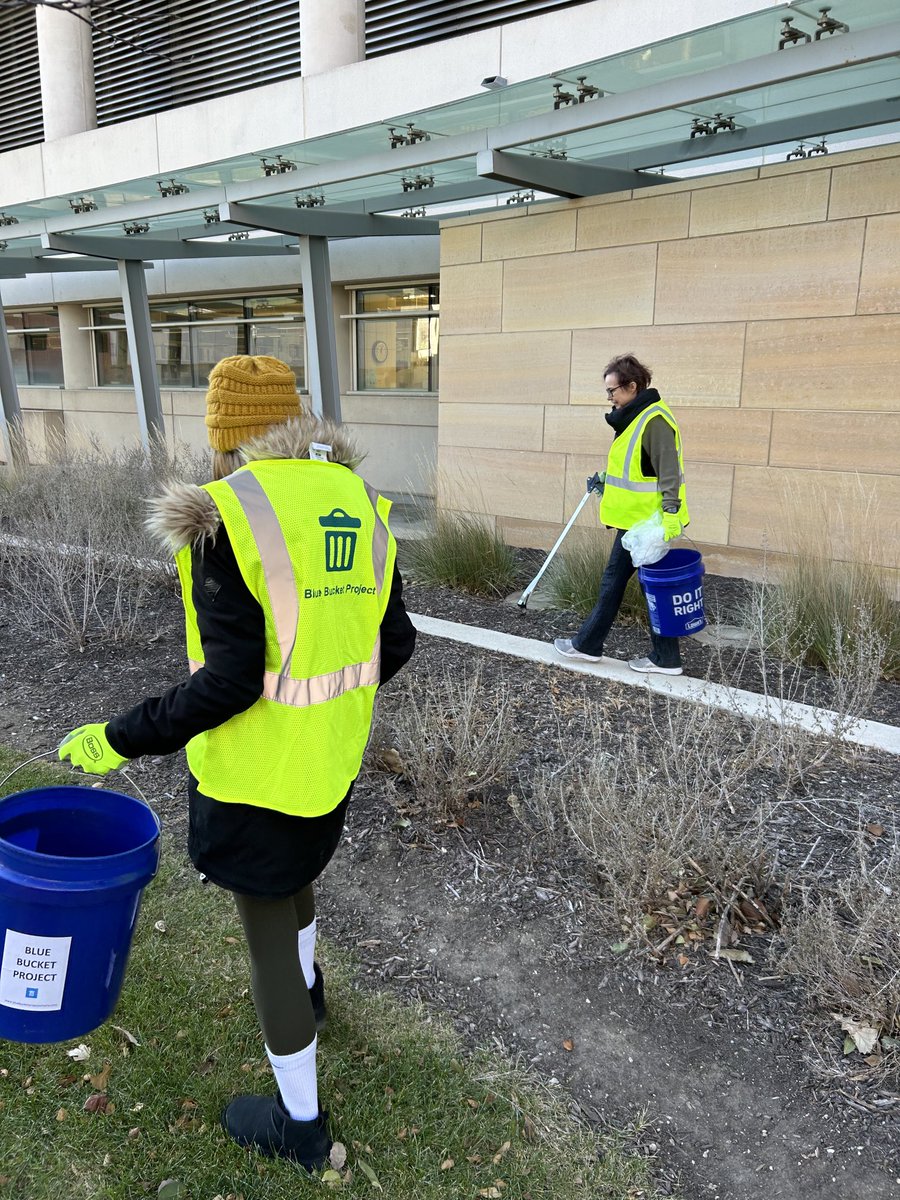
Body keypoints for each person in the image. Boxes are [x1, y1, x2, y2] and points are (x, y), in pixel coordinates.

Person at [58, 355, 416, 1169]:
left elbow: (226, 683)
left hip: (254, 775)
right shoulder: (359, 499)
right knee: (298, 880)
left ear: (224, 436)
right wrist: (331, 697)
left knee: (265, 940)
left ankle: (301, 1129)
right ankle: (314, 997)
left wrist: (120, 737)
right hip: (329, 759)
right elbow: (394, 641)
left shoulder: (226, 515)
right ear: (293, 422)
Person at [553, 352, 689, 676]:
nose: (610, 398)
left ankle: (590, 645)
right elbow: (635, 471)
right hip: (636, 525)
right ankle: (660, 656)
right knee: (635, 587)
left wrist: (671, 513)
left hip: (648, 526)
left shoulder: (653, 420)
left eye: (613, 391)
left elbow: (668, 472)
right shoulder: (636, 418)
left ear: (631, 386)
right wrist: (606, 480)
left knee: (622, 585)